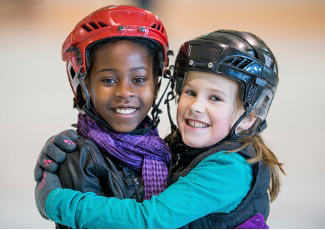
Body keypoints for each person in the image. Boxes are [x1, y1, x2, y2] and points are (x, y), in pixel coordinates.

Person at [35, 29, 284, 228]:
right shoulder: (175, 148)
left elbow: (151, 220)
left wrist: (56, 202)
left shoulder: (227, 169)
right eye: (190, 92)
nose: (196, 106)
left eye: (215, 98)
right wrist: (58, 155)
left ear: (250, 116)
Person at [34, 5, 173, 228]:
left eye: (139, 80)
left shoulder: (166, 151)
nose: (125, 92)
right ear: (83, 84)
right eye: (108, 80)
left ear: (156, 85)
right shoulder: (78, 158)